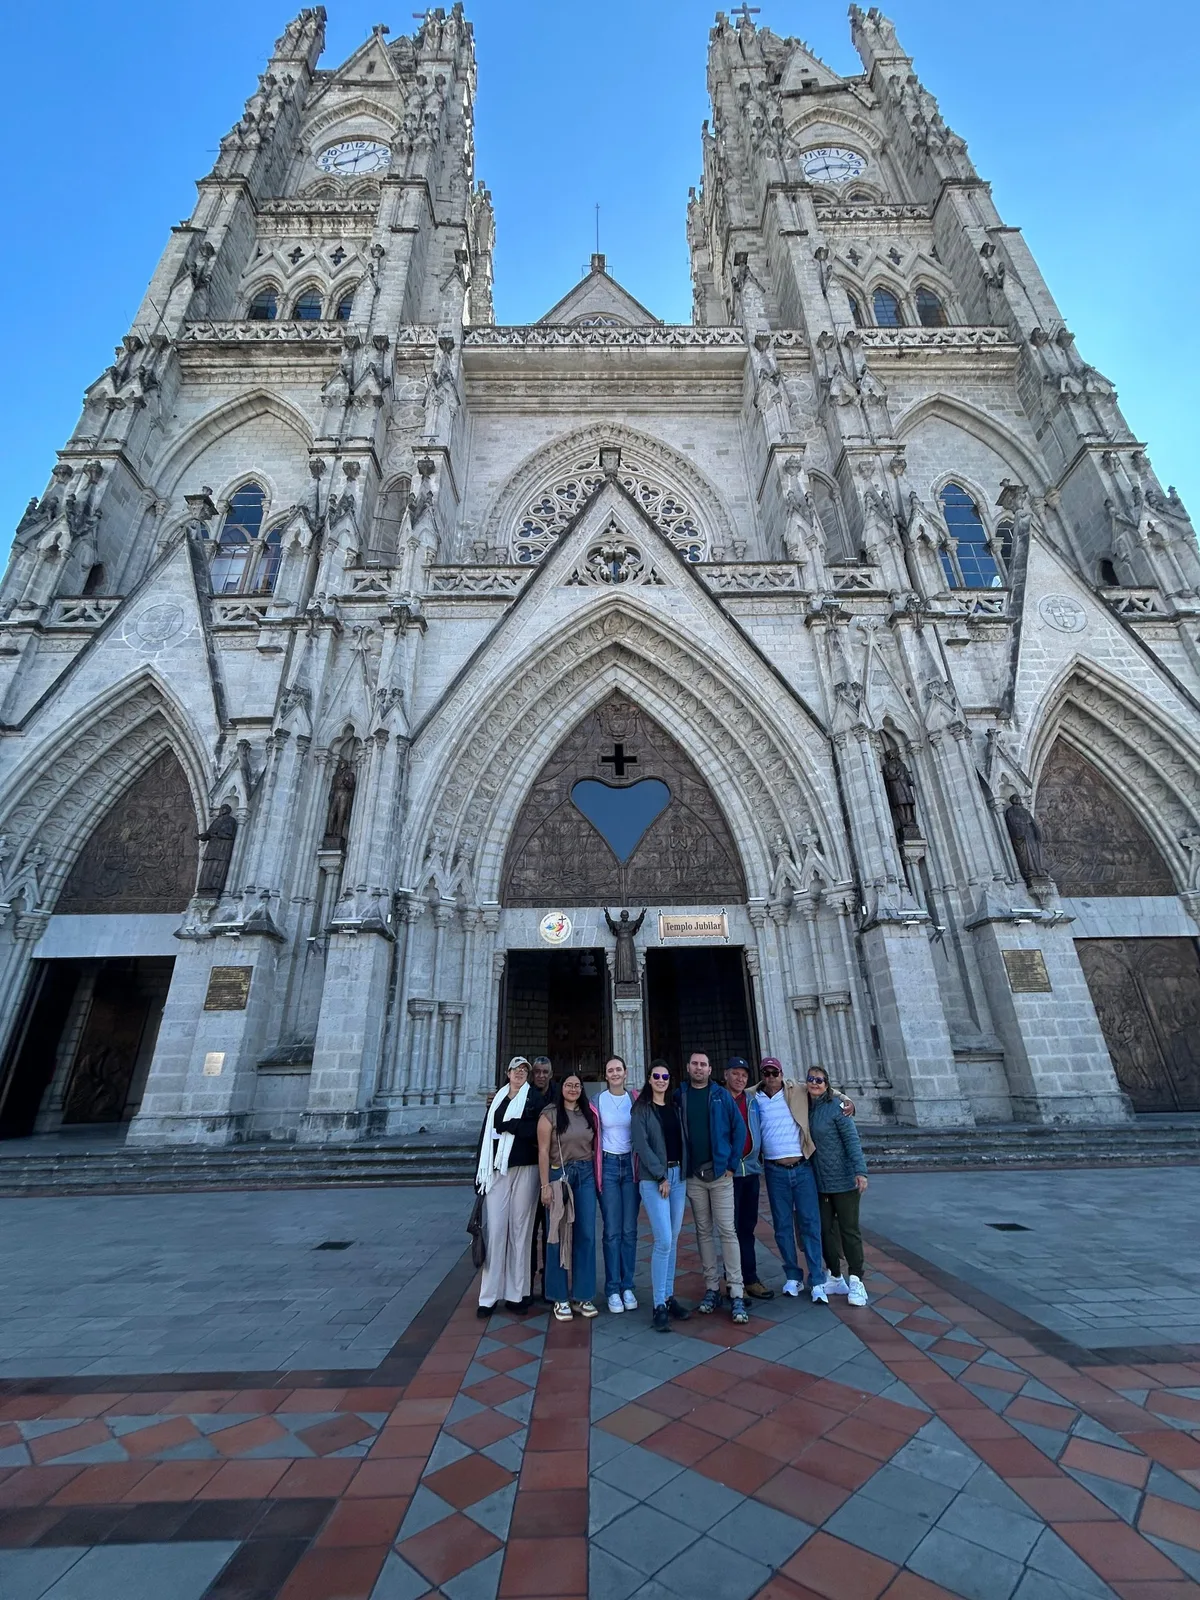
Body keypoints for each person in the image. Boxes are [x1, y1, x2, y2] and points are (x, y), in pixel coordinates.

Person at [748, 1057, 853, 1303]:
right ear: (762, 1074)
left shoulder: (797, 1090)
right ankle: (792, 1276)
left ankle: (817, 1279)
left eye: (775, 1072)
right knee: (782, 1226)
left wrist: (846, 1098)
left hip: (802, 1168)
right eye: (767, 1072)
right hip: (774, 1171)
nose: (772, 1076)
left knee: (810, 1224)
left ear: (782, 1073)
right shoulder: (754, 1096)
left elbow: (820, 1086)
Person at [677, 1050, 749, 1324]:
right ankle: (711, 1288)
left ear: (710, 1070)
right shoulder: (680, 1095)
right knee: (703, 1232)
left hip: (720, 1175)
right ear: (688, 1067)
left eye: (703, 1064)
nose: (698, 1068)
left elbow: (739, 1129)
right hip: (694, 1176)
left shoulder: (721, 1095)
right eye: (694, 1063)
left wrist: (731, 1164)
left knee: (727, 1231)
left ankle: (737, 1289)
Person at [474, 1057, 544, 1318]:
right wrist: (477, 1176)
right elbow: (485, 1135)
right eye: (516, 1069)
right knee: (495, 1231)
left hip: (526, 1168)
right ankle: (488, 1297)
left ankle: (517, 1293)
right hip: (495, 1171)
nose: (520, 1074)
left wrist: (512, 1126)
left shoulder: (534, 1098)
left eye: (524, 1070)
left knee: (520, 1231)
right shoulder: (497, 1100)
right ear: (508, 1072)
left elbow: (538, 1128)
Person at [631, 1060, 692, 1332]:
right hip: (656, 1180)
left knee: (674, 1239)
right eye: (656, 1075)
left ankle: (668, 1297)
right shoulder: (641, 1109)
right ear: (648, 1078)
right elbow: (641, 1145)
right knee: (663, 1240)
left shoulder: (675, 1108)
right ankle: (658, 1304)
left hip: (678, 1178)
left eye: (665, 1076)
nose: (660, 1079)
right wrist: (660, 1176)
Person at [537, 1071, 600, 1321]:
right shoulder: (550, 1114)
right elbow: (542, 1151)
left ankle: (583, 1295)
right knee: (557, 1235)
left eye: (577, 1085)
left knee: (586, 1233)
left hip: (584, 1174)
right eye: (568, 1084)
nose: (573, 1088)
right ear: (560, 1087)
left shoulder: (589, 1113)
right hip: (559, 1175)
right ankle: (559, 1296)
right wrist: (545, 1186)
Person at [806, 1065, 869, 1306]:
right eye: (811, 1079)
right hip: (820, 1182)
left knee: (848, 1230)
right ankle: (834, 1275)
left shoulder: (837, 1107)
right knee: (824, 1230)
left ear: (827, 1083)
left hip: (843, 1180)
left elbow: (851, 1140)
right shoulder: (805, 1107)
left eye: (819, 1080)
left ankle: (857, 1280)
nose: (815, 1083)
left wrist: (860, 1171)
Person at [723, 1058, 773, 1302]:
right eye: (735, 1074)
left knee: (747, 1227)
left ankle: (750, 1278)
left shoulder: (754, 1100)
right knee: (728, 1229)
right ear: (725, 1075)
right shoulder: (718, 1100)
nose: (740, 1078)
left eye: (744, 1075)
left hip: (750, 1172)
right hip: (728, 1174)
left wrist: (842, 1097)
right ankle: (733, 1281)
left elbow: (793, 1088)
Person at [597, 1055, 639, 1314]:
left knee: (630, 1230)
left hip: (631, 1167)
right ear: (606, 1074)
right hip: (609, 1166)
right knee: (612, 1230)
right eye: (610, 1070)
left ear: (625, 1072)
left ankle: (628, 1285)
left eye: (618, 1069)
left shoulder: (635, 1099)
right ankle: (612, 1288)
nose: (614, 1073)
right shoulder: (596, 1101)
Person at [528, 1056, 556, 1298]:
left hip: (552, 1173)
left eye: (545, 1072)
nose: (541, 1076)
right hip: (528, 1171)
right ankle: (524, 1286)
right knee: (527, 1230)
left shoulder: (558, 1096)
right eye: (537, 1072)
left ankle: (550, 1284)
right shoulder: (520, 1097)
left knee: (551, 1229)